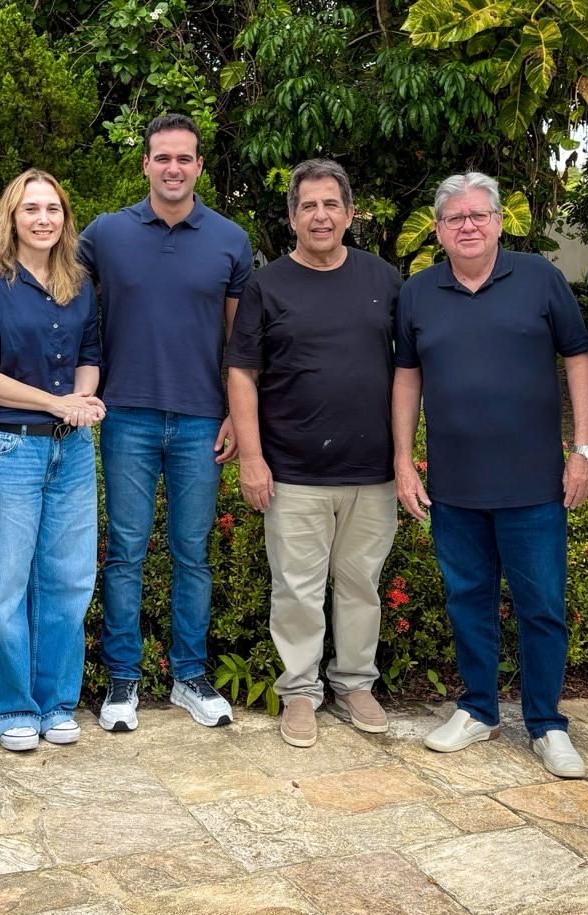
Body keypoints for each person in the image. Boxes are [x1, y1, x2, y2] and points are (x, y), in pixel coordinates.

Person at [392, 171, 588, 778]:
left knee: (542, 606)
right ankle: (478, 709)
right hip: (454, 484)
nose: (468, 226)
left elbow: (579, 358)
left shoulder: (539, 278)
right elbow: (406, 375)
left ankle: (547, 723)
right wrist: (402, 458)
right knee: (467, 601)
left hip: (534, 483)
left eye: (478, 215)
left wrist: (586, 450)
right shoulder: (418, 292)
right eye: (455, 218)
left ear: (499, 222)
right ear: (438, 230)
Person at [81, 113, 253, 732]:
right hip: (126, 414)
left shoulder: (230, 239)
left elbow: (241, 340)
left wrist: (236, 413)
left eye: (184, 158)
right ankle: (123, 679)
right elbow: (42, 273)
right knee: (126, 552)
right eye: (163, 157)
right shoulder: (107, 234)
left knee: (192, 553)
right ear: (146, 164)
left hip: (202, 419)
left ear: (199, 166)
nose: (173, 168)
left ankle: (189, 675)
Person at [226, 159, 402, 749]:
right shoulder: (267, 285)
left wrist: (405, 458)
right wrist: (252, 457)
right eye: (308, 206)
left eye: (331, 205)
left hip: (372, 471)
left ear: (349, 214)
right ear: (292, 217)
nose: (320, 216)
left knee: (361, 584)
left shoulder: (384, 279)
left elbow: (410, 368)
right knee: (297, 590)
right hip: (293, 471)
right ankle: (299, 691)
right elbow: (242, 373)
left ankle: (355, 683)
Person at [0, 169, 103, 752]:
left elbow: (90, 353)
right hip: (9, 447)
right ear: (11, 218)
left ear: (65, 217)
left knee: (68, 582)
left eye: (53, 209)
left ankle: (57, 702)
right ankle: (12, 706)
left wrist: (83, 400)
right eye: (31, 209)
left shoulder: (79, 284)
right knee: (7, 585)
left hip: (72, 449)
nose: (43, 219)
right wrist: (55, 403)